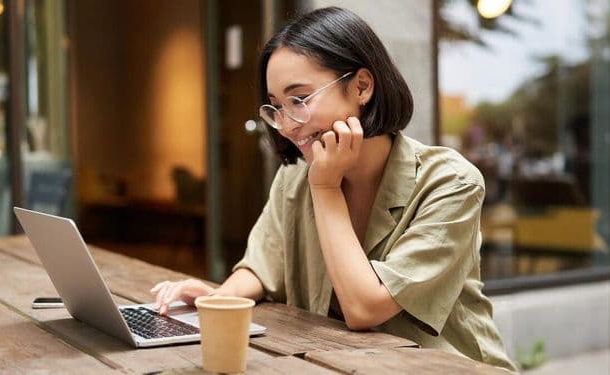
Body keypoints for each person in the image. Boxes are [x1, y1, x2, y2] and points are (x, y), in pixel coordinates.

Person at [149, 7, 516, 372]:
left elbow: (365, 308)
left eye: (300, 100)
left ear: (361, 86)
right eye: (276, 107)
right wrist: (218, 298)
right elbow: (263, 267)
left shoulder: (451, 182)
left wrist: (326, 188)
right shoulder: (294, 177)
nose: (286, 125)